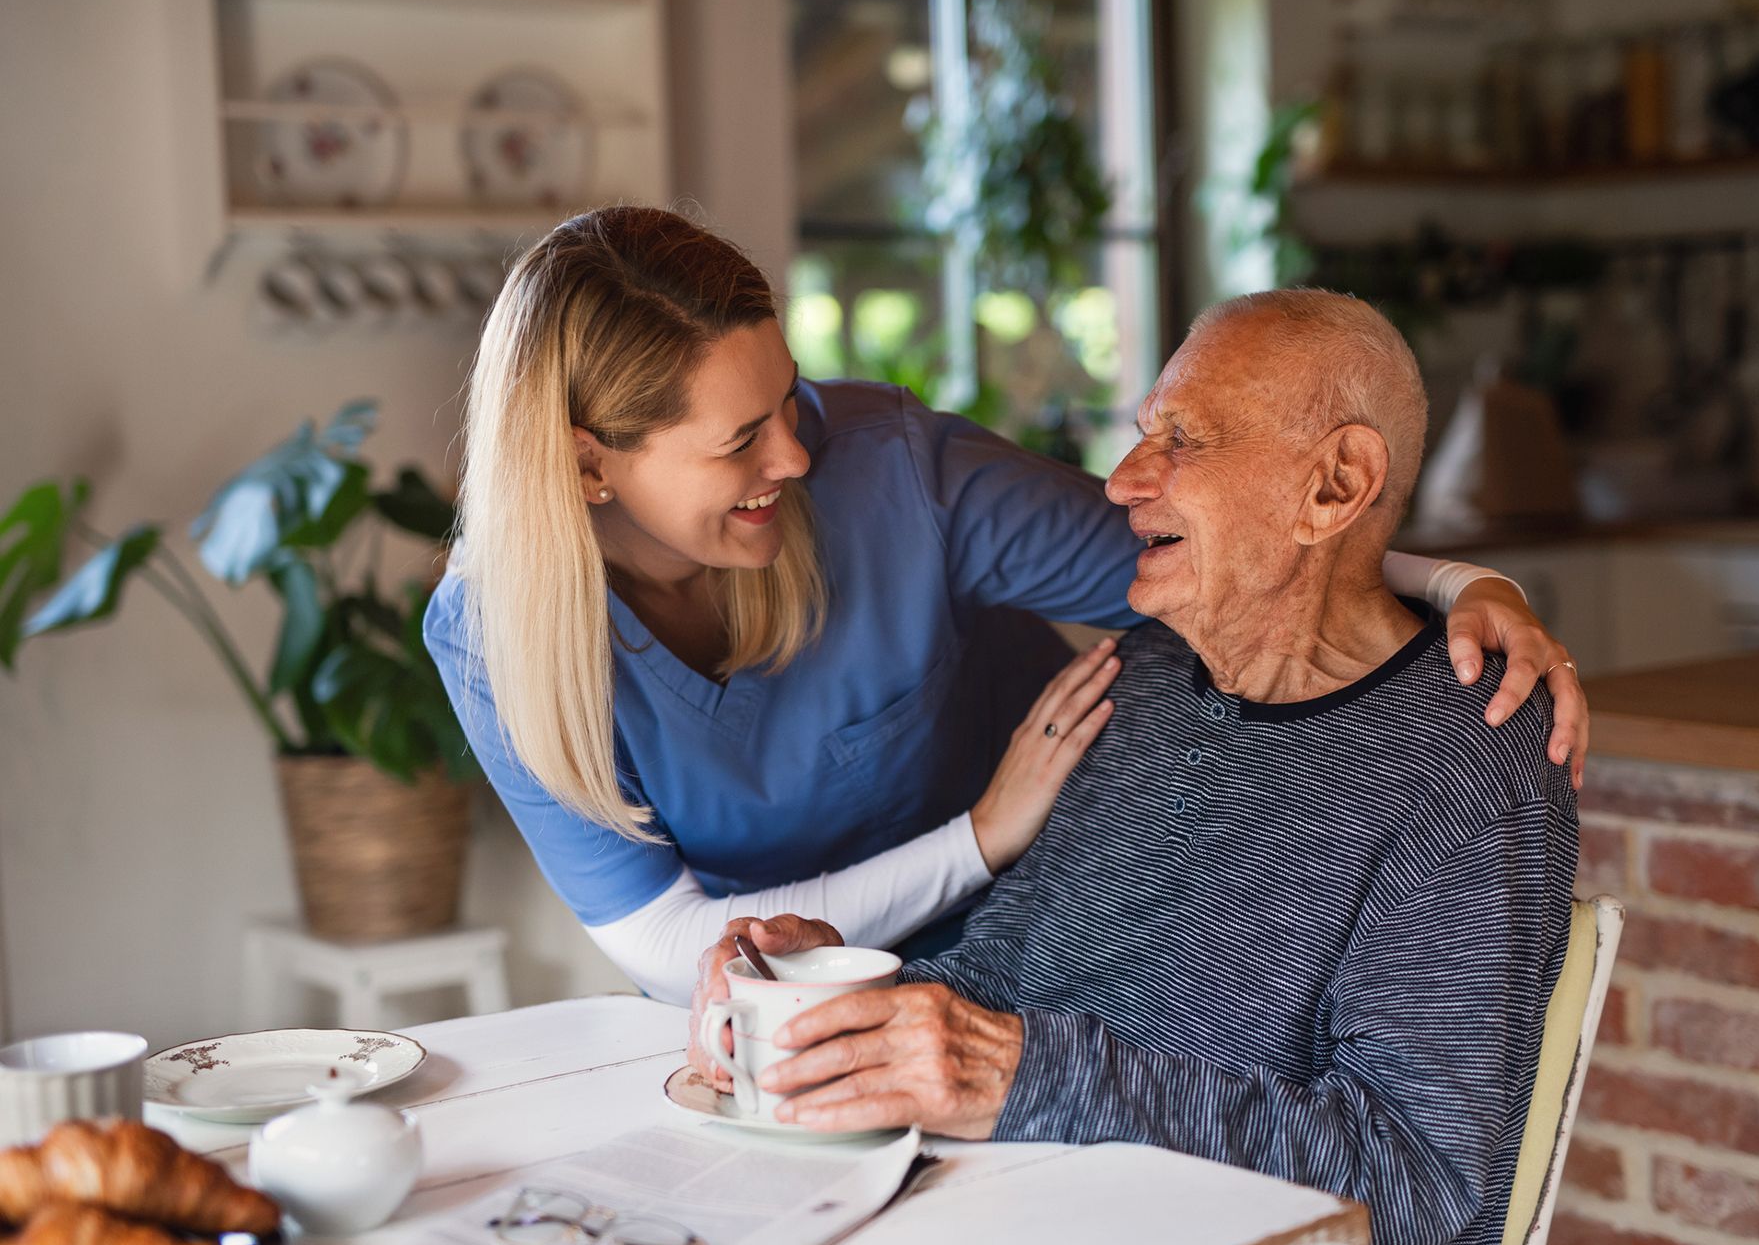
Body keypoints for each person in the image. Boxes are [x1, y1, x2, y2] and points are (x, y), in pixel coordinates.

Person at [426, 205, 1590, 1005]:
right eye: (741, 439)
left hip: (1048, 964)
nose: (795, 448)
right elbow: (676, 951)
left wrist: (1463, 583)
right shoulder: (494, 635)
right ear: (589, 465)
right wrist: (981, 832)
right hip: (791, 1006)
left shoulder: (891, 473)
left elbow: (1228, 550)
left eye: (790, 395)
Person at [700, 290, 1579, 1245]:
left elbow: (1414, 1173)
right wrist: (836, 1000)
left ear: (1334, 485)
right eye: (1140, 435)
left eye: (1183, 440)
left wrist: (1024, 1075)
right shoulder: (1145, 673)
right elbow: (1001, 981)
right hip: (1024, 1225)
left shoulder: (1466, 746)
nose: (1121, 482)